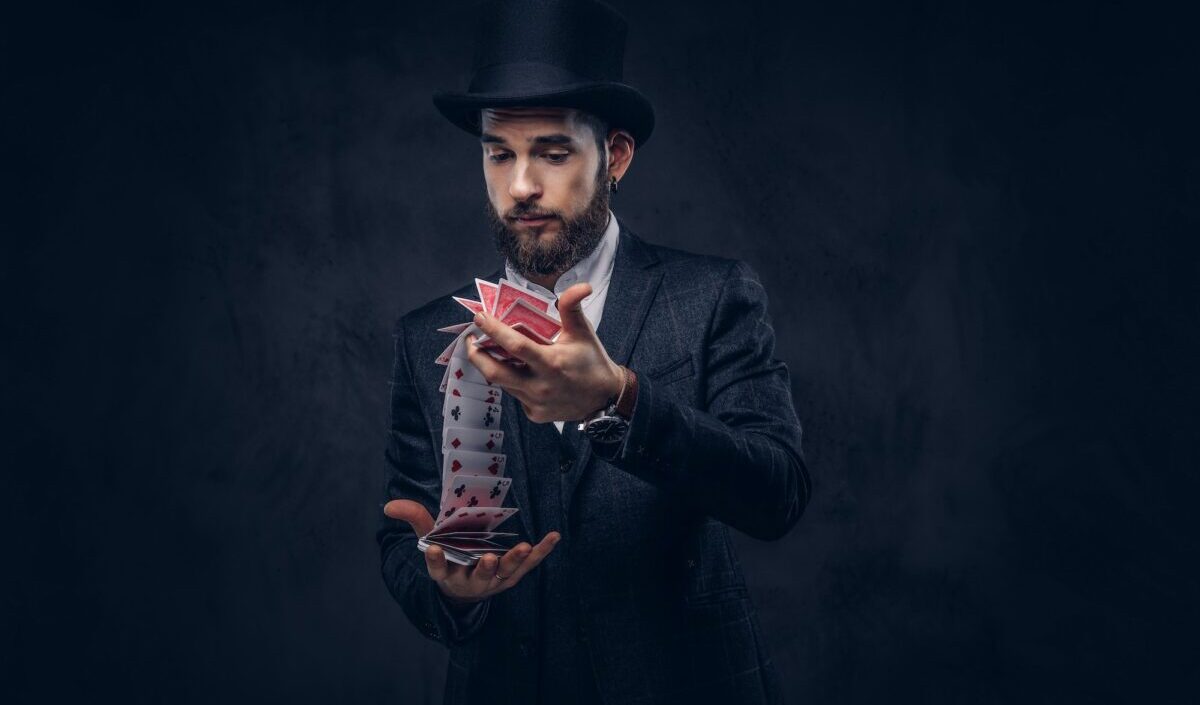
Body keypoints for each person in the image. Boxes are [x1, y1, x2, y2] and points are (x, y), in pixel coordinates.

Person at [377, 1, 811, 703]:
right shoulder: (423, 336)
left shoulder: (712, 296)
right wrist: (445, 586)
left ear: (614, 155)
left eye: (551, 152)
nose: (521, 185)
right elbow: (402, 540)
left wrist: (620, 399)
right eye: (499, 153)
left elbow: (779, 492)